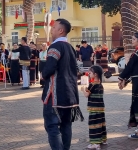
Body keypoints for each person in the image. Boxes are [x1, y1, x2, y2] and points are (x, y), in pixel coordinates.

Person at [42, 18, 82, 150]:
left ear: (61, 30)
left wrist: (43, 74)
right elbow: (76, 70)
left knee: (52, 126)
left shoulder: (55, 46)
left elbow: (49, 68)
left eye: (54, 28)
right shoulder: (70, 48)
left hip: (55, 95)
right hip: (70, 94)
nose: (51, 30)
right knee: (66, 125)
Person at [81, 65, 107, 149]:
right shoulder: (100, 85)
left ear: (95, 74)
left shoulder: (92, 85)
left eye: (90, 72)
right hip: (100, 109)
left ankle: (95, 143)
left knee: (93, 124)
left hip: (94, 108)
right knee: (100, 124)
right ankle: (102, 139)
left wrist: (83, 90)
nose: (89, 74)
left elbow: (87, 95)